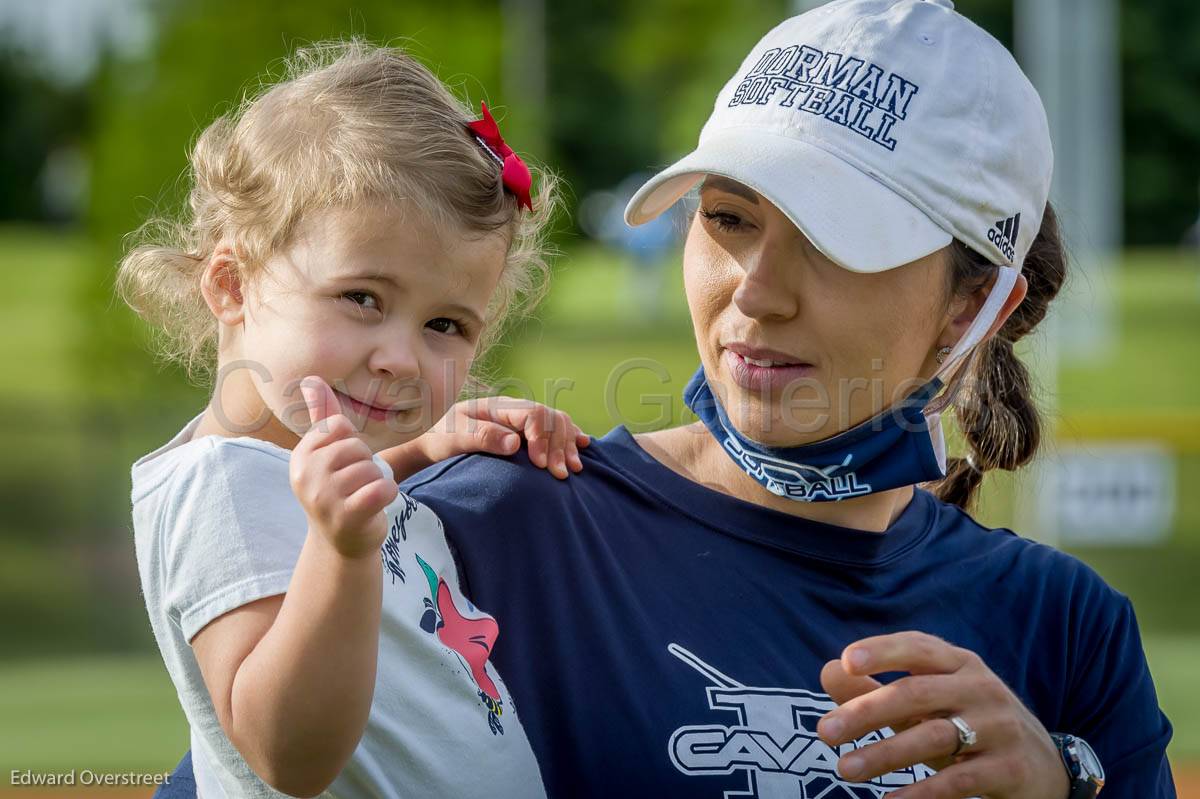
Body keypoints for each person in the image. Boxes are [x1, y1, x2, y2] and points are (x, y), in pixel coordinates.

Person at [155, 2, 1176, 797]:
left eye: (834, 243)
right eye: (728, 218)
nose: (755, 290)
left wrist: (1062, 778)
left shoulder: (1069, 629)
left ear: (973, 304)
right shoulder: (492, 522)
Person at [123, 41, 588, 798]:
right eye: (363, 299)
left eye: (446, 325)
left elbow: (311, 501)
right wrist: (342, 554)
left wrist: (424, 448)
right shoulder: (217, 490)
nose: (402, 358)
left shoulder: (306, 463)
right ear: (232, 283)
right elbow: (288, 754)